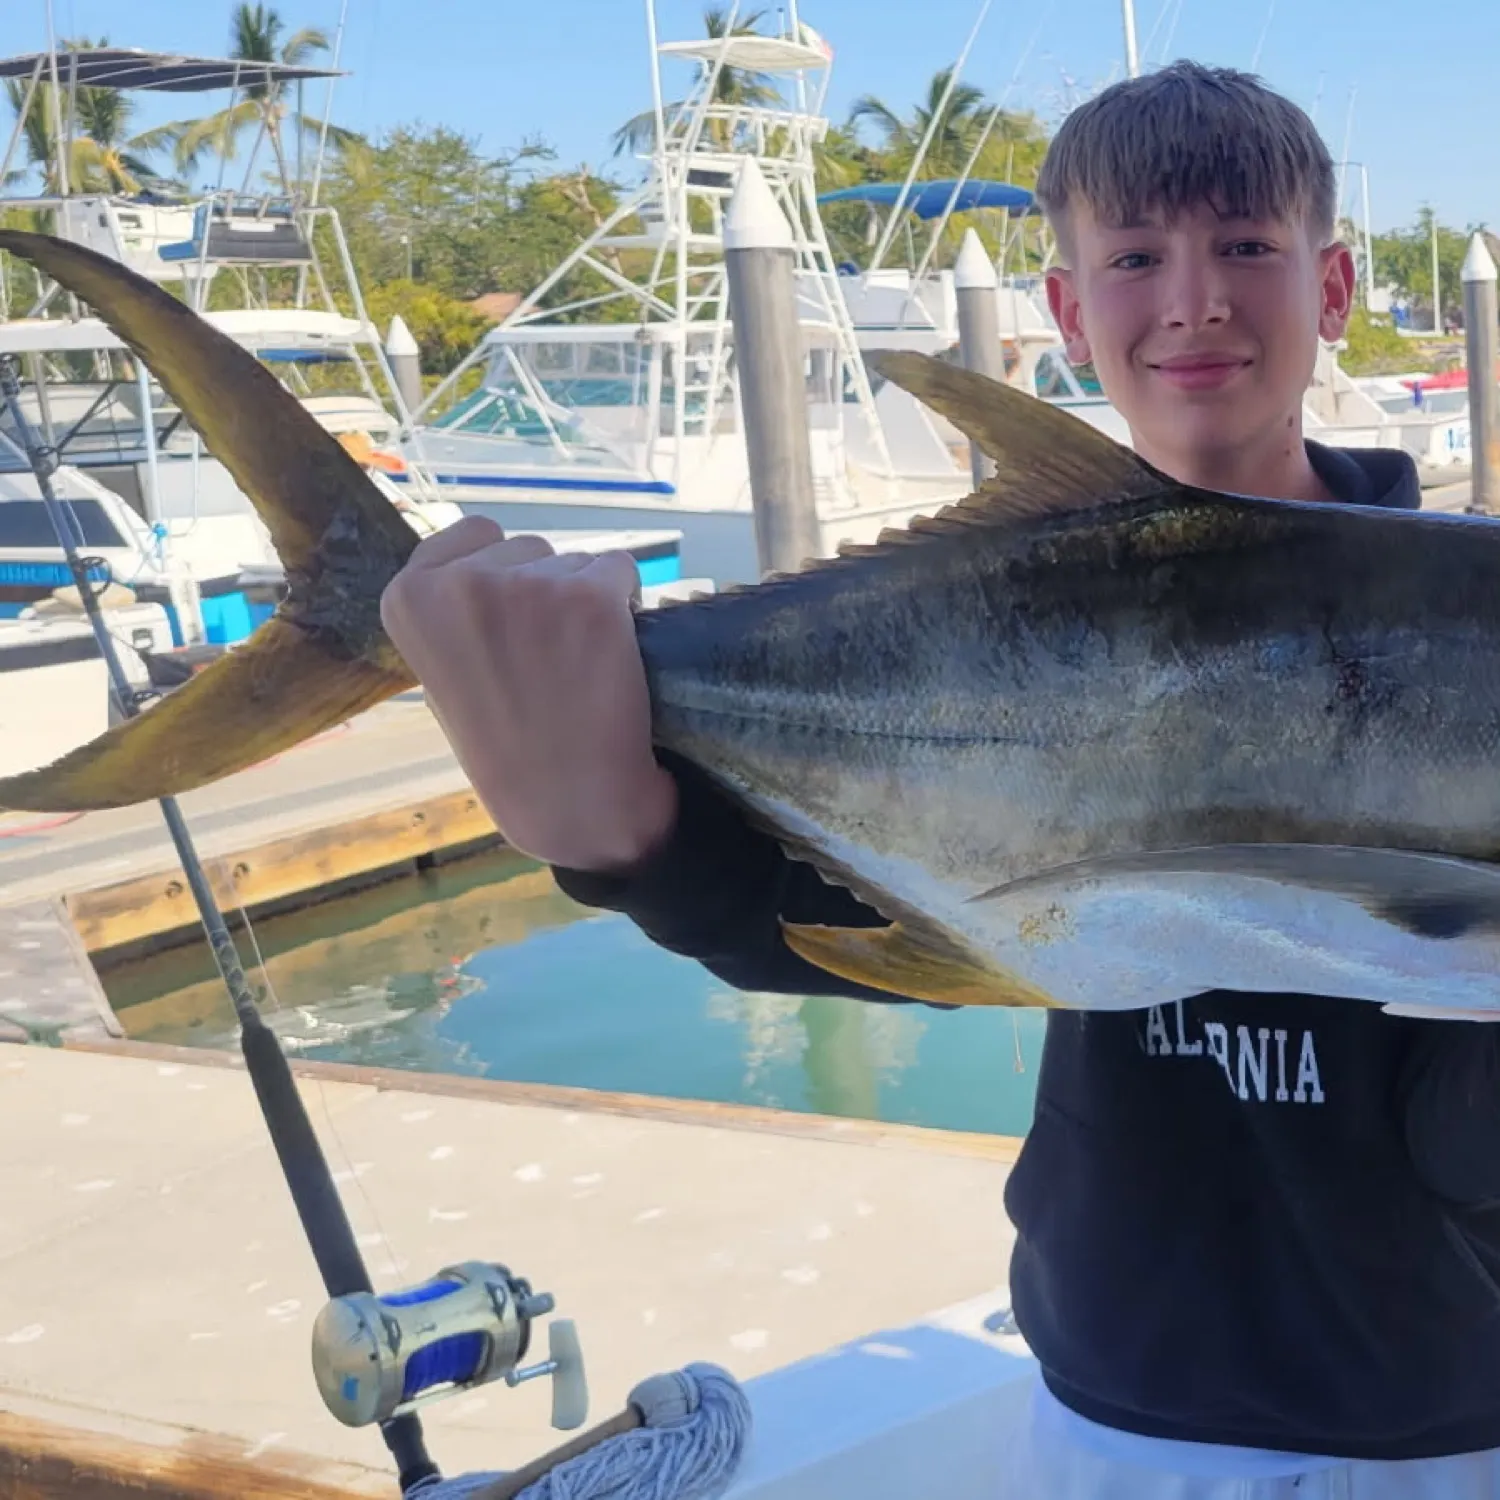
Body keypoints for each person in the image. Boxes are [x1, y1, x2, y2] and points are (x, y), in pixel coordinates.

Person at [379, 61, 1500, 1500]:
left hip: (1451, 1402)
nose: (1197, 298)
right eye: (1138, 256)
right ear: (1066, 312)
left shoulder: (1456, 608)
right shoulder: (1007, 601)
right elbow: (840, 929)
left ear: (1333, 285)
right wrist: (620, 845)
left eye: (1247, 247)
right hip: (1118, 1398)